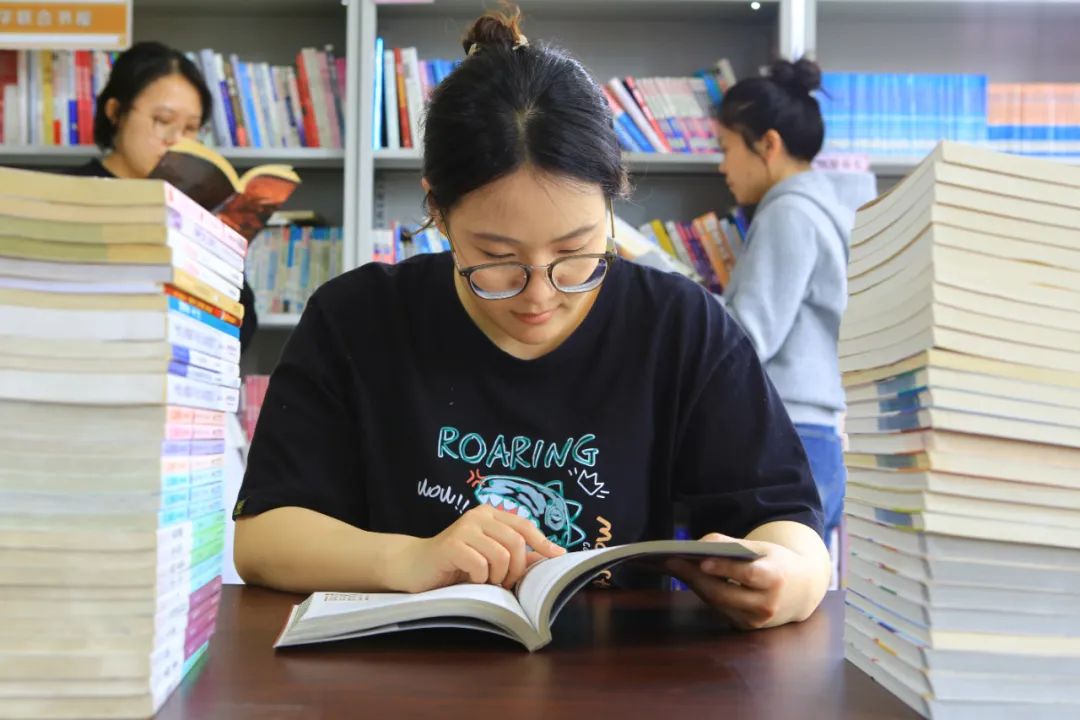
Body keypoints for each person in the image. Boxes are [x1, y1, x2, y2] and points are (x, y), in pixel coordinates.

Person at [234, 8, 831, 631]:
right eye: (498, 260)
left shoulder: (679, 325)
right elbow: (263, 537)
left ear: (612, 198)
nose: (540, 295)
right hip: (403, 667)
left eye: (576, 252)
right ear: (438, 210)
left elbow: (786, 518)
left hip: (617, 671)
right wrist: (411, 558)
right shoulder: (357, 319)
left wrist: (794, 578)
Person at [717, 58, 853, 555]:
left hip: (788, 432)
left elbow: (749, 335)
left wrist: (682, 302)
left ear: (768, 145)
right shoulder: (826, 208)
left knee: (764, 580)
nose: (722, 166)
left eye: (726, 148)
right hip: (817, 433)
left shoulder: (789, 214)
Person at [67, 41, 258, 351]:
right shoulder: (65, 193)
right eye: (163, 121)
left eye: (191, 128)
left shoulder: (195, 206)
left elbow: (242, 322)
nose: (175, 139)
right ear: (116, 112)